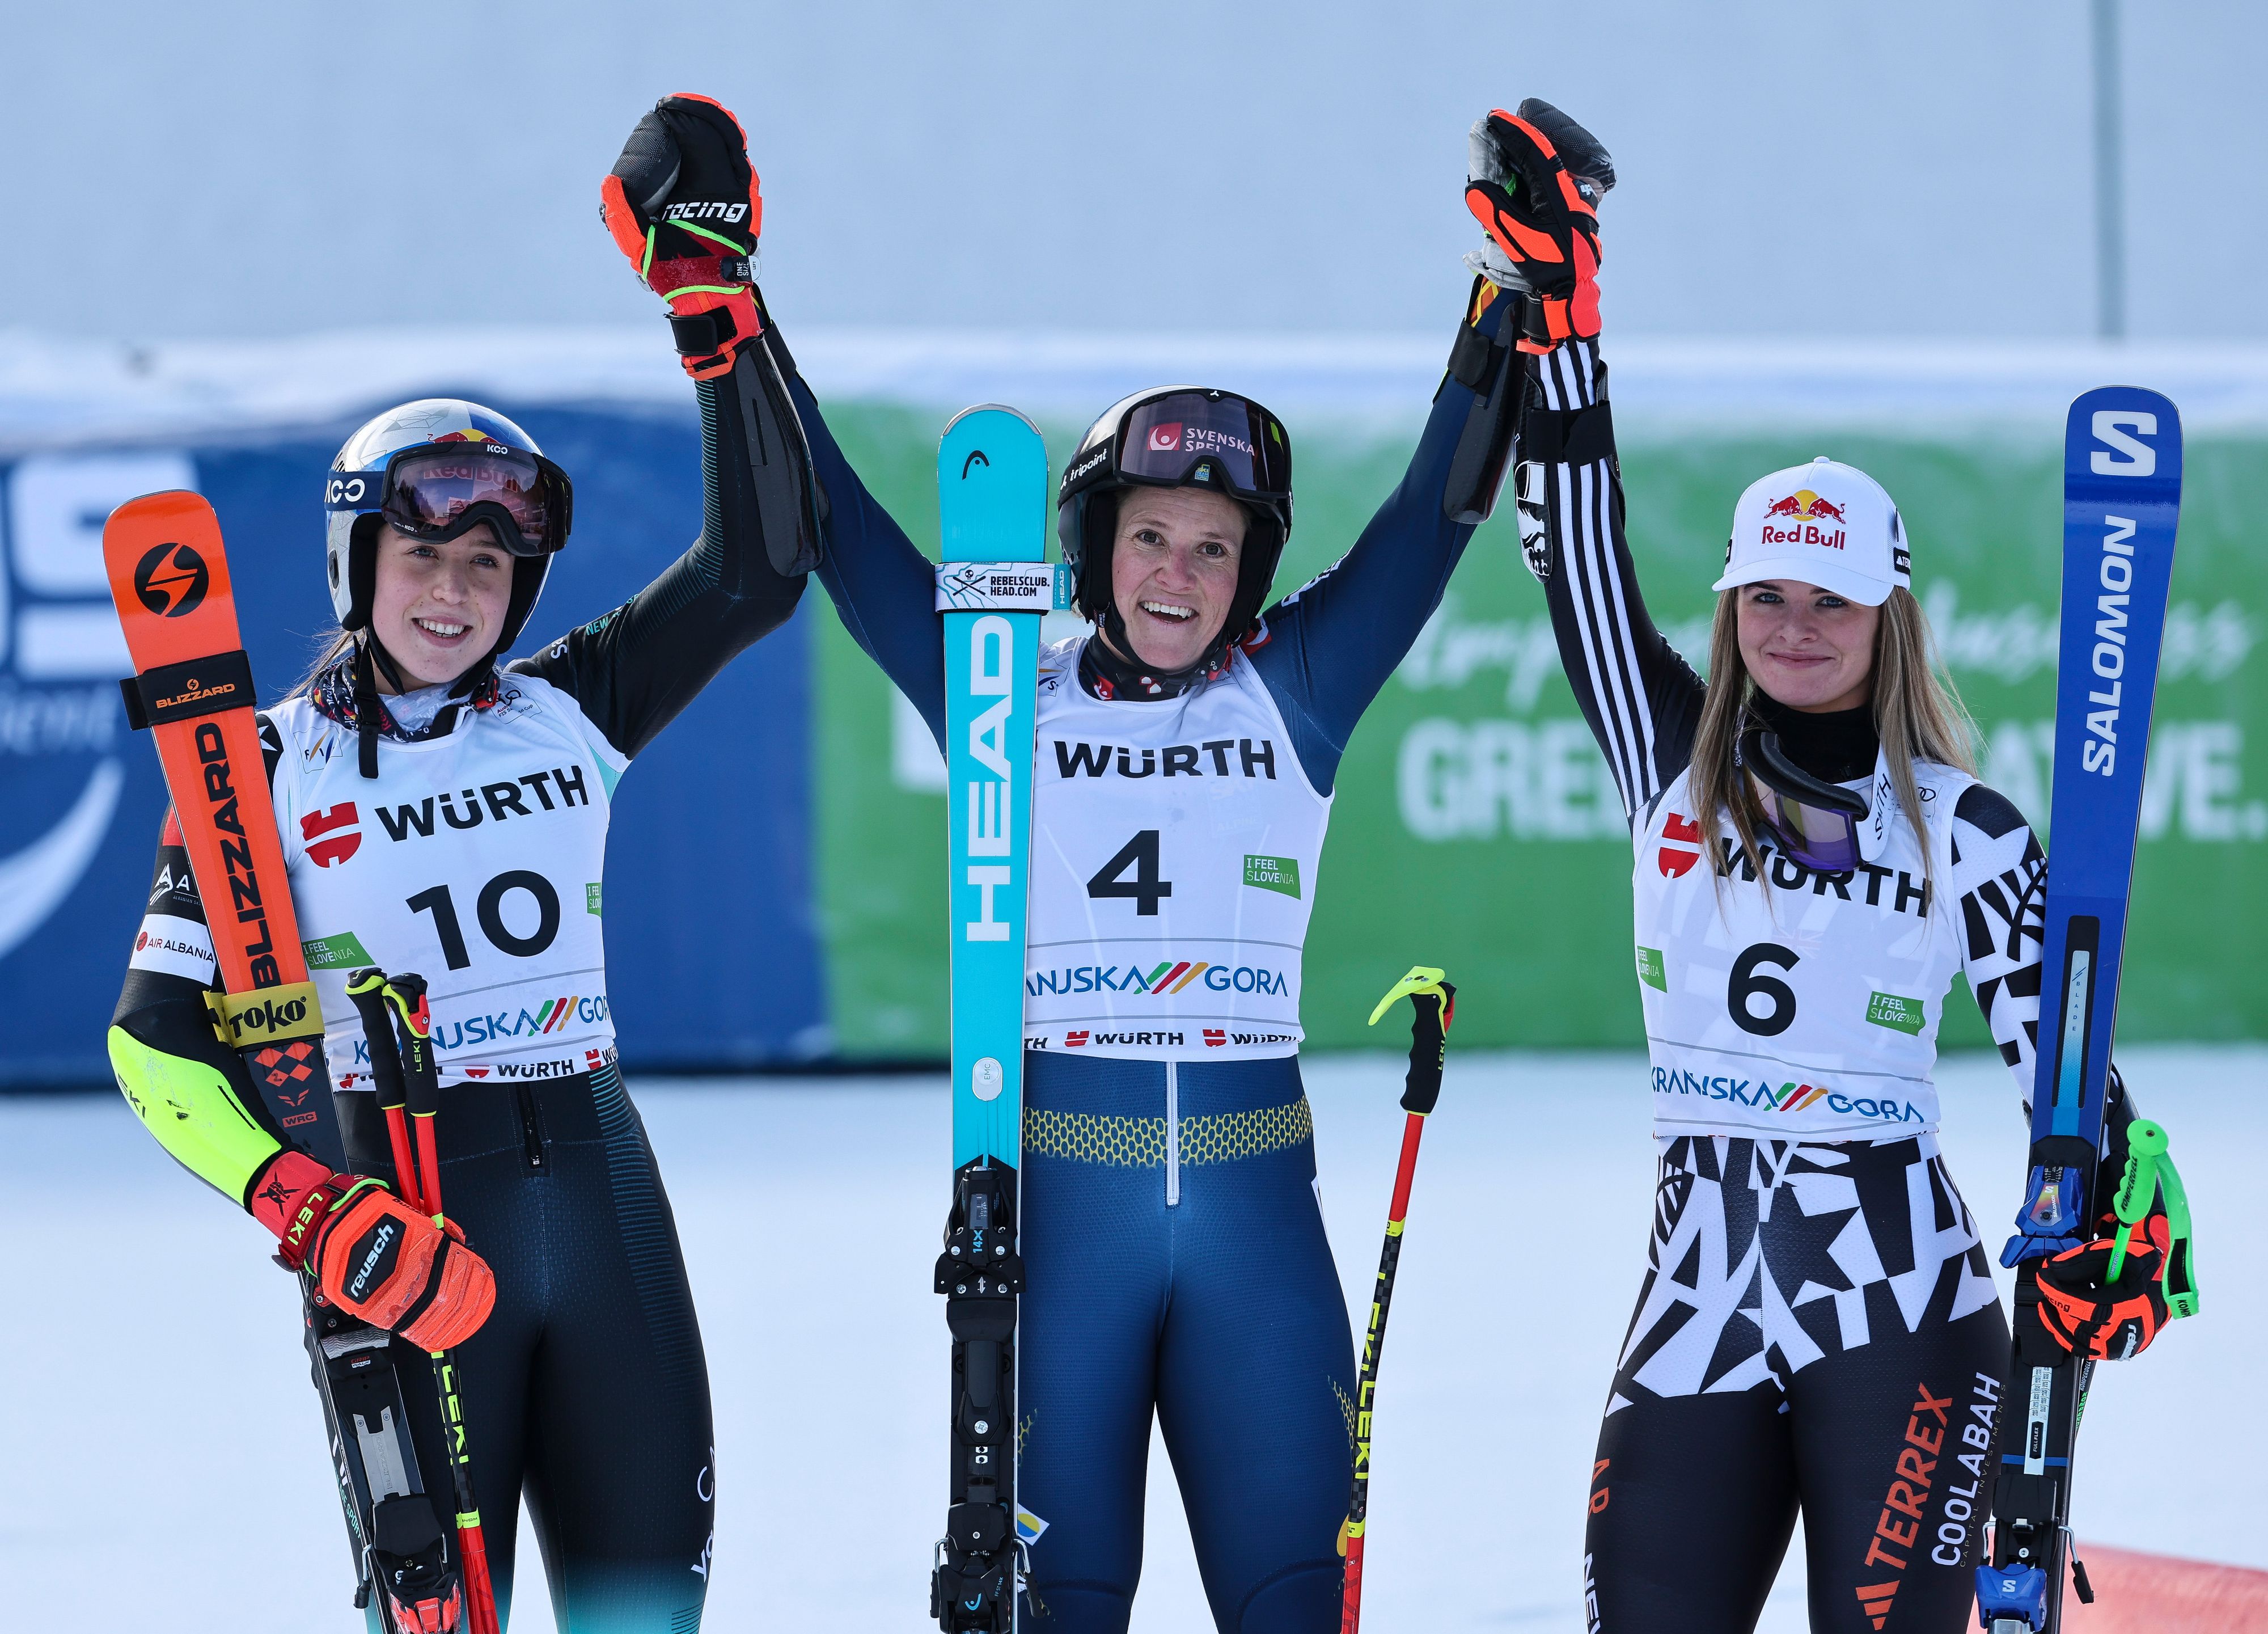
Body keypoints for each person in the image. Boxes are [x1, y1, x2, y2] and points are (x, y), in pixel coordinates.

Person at [611, 90, 1592, 1634]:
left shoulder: (1299, 683)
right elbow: (828, 529)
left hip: (1261, 1225)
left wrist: (1510, 299)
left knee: (1293, 1602)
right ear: (1094, 543)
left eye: (1215, 547)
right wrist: (728, 302)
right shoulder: (1001, 677)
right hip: (1063, 1217)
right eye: (1150, 538)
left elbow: (1434, 511)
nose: (1181, 575)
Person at [105, 92, 819, 1632]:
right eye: (424, 554)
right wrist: (303, 1204)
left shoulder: (571, 707)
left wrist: (718, 309)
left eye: (490, 561)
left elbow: (763, 565)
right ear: (360, 563)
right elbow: (154, 1053)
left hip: (605, 1193)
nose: (457, 590)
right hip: (408, 1218)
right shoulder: (263, 772)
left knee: (647, 1616)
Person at [1467, 105, 2178, 1633]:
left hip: (1907, 1315)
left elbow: (2062, 1064)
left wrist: (2110, 1183)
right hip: (1697, 1309)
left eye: (1831, 601)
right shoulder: (1673, 763)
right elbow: (1577, 552)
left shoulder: (1966, 823)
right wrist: (1564, 331)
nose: (1795, 628)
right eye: (1766, 597)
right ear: (1732, 613)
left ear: (1889, 618)